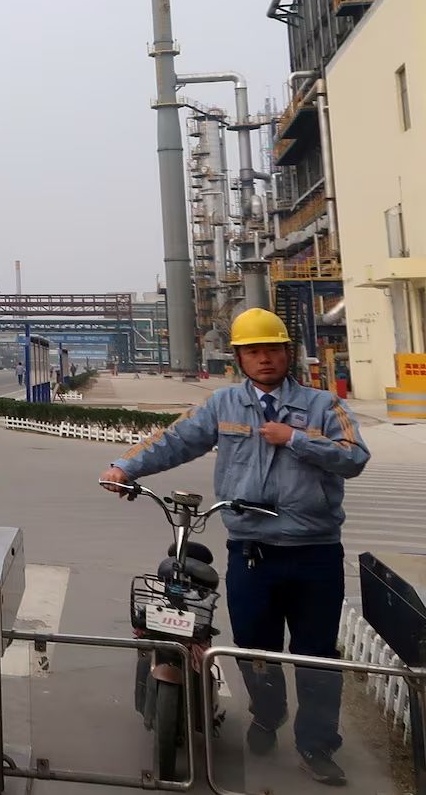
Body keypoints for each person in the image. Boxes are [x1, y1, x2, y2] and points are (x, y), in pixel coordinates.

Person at [99, 308, 369, 787]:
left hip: (315, 552)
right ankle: (268, 716)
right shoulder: (223, 406)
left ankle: (316, 745)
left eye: (272, 349)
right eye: (253, 351)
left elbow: (354, 457)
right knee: (253, 648)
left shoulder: (324, 406)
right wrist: (126, 468)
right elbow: (175, 440)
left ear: (288, 353)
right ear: (240, 358)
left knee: (316, 656)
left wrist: (297, 439)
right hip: (251, 551)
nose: (264, 358)